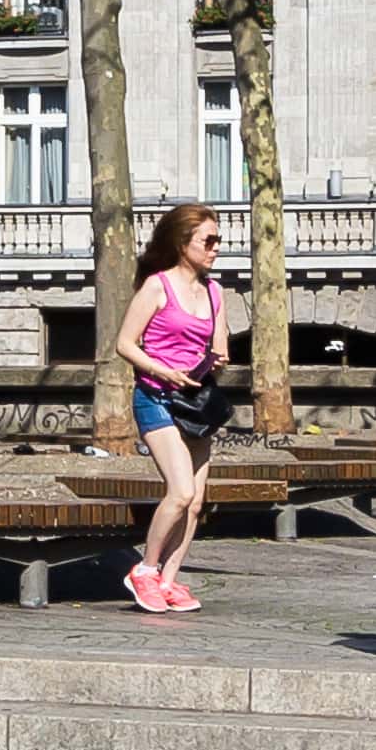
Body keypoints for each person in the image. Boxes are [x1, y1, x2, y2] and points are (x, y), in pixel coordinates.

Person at [116, 203, 232, 613]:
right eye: (209, 241)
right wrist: (164, 370)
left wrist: (213, 359)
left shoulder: (215, 292)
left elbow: (219, 346)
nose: (217, 248)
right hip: (156, 398)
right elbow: (125, 344)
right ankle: (145, 570)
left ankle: (169, 579)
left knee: (197, 501)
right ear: (183, 243)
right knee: (180, 492)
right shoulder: (157, 287)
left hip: (194, 403)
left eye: (219, 240)